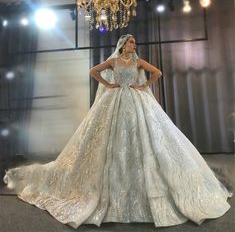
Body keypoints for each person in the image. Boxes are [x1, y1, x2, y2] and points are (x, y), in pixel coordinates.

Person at [3, 34, 233, 229]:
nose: (134, 46)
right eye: (131, 43)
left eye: (134, 43)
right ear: (123, 45)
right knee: (105, 139)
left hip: (135, 100)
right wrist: (108, 84)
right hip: (114, 100)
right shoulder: (113, 61)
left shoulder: (138, 61)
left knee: (144, 137)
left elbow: (158, 73)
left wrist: (143, 85)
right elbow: (94, 71)